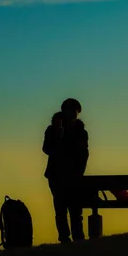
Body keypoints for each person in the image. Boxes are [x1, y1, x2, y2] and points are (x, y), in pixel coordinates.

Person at [42, 98, 89, 243]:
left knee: (74, 210)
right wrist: (58, 135)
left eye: (75, 112)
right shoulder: (53, 129)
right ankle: (66, 237)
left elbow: (84, 154)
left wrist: (79, 172)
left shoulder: (80, 131)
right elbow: (47, 148)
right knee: (62, 210)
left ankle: (76, 237)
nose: (73, 115)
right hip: (58, 175)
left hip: (69, 175)